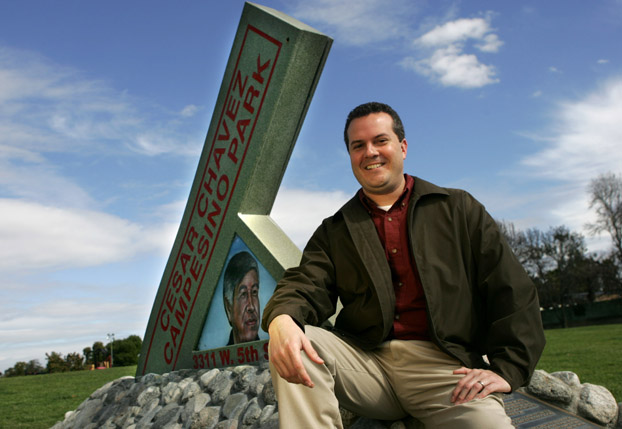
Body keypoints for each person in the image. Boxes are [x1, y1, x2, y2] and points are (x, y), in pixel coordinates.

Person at [261, 102, 545, 428]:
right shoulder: (335, 230)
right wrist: (282, 318)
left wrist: (508, 369)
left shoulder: (458, 210)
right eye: (358, 146)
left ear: (403, 147)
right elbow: (305, 282)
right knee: (296, 340)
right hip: (368, 365)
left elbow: (512, 291)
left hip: (444, 371)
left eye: (380, 141)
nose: (370, 152)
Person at [223, 251, 261, 345]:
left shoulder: (274, 352)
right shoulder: (216, 359)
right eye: (243, 294)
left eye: (254, 292)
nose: (251, 307)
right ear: (229, 307)